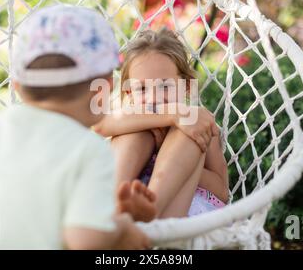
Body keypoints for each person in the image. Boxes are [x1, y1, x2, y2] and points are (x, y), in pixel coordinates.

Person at [0, 5, 155, 249]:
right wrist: (124, 229)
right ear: (103, 89)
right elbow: (86, 240)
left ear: (18, 86)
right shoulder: (89, 150)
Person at [94, 28, 229, 219]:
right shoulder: (130, 115)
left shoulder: (200, 122)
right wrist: (171, 114)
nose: (153, 98)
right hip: (125, 197)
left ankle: (150, 209)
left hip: (177, 210)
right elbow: (100, 125)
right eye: (141, 88)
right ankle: (106, 206)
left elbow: (222, 191)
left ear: (187, 87)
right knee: (136, 131)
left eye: (165, 86)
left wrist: (175, 161)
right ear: (129, 94)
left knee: (189, 127)